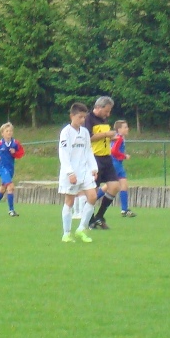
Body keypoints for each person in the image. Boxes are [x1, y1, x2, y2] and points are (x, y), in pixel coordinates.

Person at [59, 102, 99, 243]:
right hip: (71, 173)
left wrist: (94, 168)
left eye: (84, 117)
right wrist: (70, 173)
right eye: (80, 117)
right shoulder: (66, 132)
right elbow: (63, 154)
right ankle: (66, 233)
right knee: (69, 201)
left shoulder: (85, 132)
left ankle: (81, 229)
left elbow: (88, 151)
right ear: (72, 116)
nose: (82, 120)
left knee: (93, 197)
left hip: (84, 172)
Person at [85, 96, 120, 230]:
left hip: (106, 157)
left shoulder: (104, 119)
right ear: (98, 107)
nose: (108, 114)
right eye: (106, 111)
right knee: (92, 192)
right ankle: (90, 219)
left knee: (115, 186)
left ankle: (99, 216)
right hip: (94, 158)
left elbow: (104, 136)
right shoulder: (88, 119)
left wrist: (112, 137)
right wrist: (106, 134)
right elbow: (89, 138)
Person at [0, 122, 25, 217]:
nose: (9, 133)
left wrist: (14, 152)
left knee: (3, 189)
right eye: (7, 131)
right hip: (2, 168)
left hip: (10, 169)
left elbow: (21, 153)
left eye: (10, 131)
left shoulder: (15, 143)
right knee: (11, 187)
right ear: (2, 133)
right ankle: (11, 210)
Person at [111, 119, 136, 217]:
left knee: (122, 185)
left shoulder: (117, 137)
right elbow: (113, 151)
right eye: (125, 127)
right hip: (116, 164)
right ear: (119, 129)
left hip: (116, 164)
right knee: (112, 187)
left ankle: (124, 209)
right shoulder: (119, 138)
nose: (127, 128)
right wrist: (124, 156)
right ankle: (90, 202)